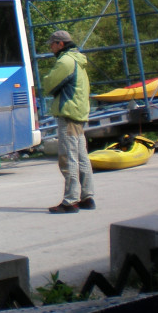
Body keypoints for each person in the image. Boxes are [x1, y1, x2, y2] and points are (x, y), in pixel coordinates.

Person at [42, 30, 95, 213]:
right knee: (82, 156)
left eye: (53, 44)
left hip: (68, 113)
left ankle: (70, 201)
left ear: (61, 44)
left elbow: (49, 84)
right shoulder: (78, 60)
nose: (51, 47)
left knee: (68, 158)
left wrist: (47, 80)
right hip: (79, 113)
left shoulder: (65, 61)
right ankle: (87, 197)